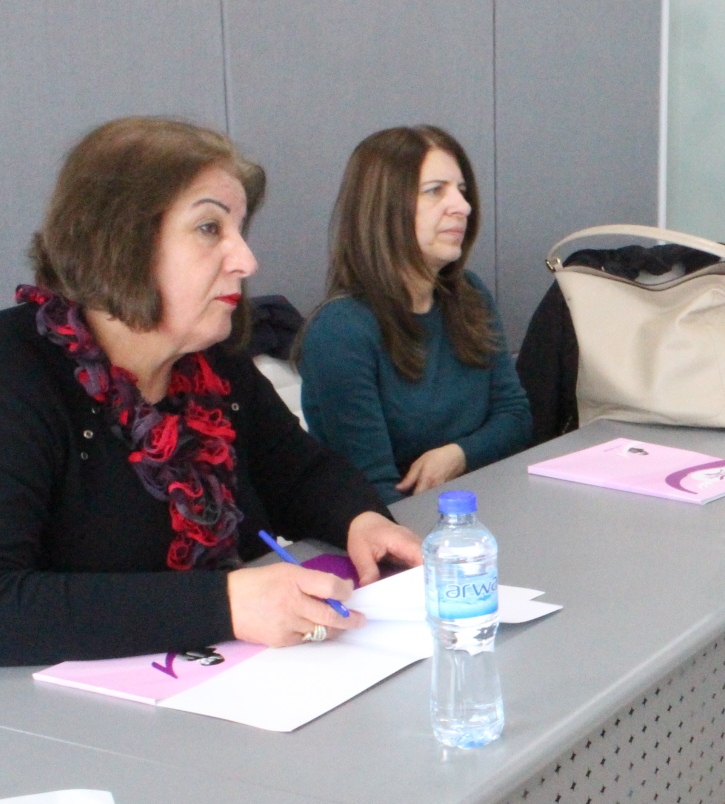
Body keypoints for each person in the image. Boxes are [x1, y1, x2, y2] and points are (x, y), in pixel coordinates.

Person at [0, 118, 422, 666]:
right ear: (119, 242)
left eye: (239, 230)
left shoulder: (209, 361)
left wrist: (361, 520)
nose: (245, 260)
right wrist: (226, 604)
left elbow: (298, 473)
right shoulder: (18, 371)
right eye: (208, 228)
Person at [297, 126, 531, 505]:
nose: (463, 206)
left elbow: (515, 418)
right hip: (400, 526)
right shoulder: (340, 331)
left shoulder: (468, 295)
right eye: (435, 190)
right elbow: (374, 490)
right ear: (383, 208)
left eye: (462, 190)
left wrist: (457, 455)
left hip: (482, 504)